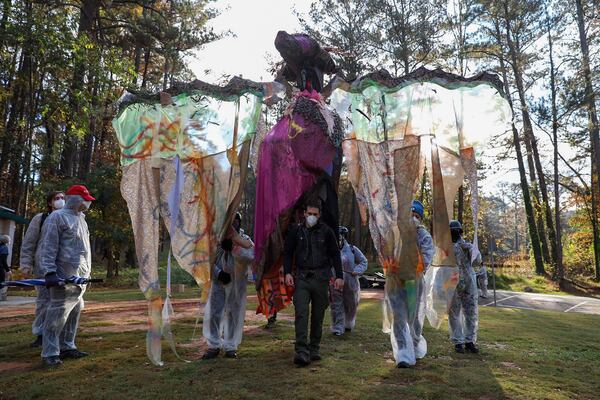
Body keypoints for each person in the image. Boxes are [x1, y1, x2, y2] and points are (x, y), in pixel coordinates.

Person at [37, 185, 95, 367]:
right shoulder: (57, 217)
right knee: (57, 314)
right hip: (62, 275)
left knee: (75, 311)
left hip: (80, 277)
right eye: (84, 199)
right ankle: (50, 353)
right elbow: (48, 246)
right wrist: (50, 271)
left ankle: (67, 346)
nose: (87, 203)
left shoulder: (82, 219)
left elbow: (85, 251)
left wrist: (87, 274)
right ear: (74, 199)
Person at [283, 201, 344, 366]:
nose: (311, 217)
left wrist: (339, 276)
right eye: (309, 213)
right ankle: (301, 351)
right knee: (301, 313)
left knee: (318, 315)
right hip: (302, 278)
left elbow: (335, 255)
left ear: (320, 215)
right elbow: (288, 253)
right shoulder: (296, 231)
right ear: (304, 213)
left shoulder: (327, 232)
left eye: (315, 214)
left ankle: (314, 348)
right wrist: (287, 272)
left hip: (321, 278)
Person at [387, 200, 435, 368]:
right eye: (411, 215)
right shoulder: (395, 232)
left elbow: (428, 255)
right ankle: (403, 354)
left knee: (413, 317)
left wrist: (415, 268)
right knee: (399, 315)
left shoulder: (423, 235)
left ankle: (414, 345)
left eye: (417, 216)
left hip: (414, 281)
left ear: (420, 219)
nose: (413, 219)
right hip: (396, 280)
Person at [202, 213, 254, 360]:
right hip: (219, 282)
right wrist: (218, 274)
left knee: (233, 314)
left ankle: (231, 346)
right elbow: (206, 259)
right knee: (214, 313)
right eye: (231, 221)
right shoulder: (215, 238)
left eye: (236, 221)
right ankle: (214, 345)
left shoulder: (244, 239)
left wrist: (234, 248)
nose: (234, 224)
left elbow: (251, 255)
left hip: (236, 284)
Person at [20, 190, 65, 347]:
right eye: (57, 198)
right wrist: (26, 267)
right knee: (44, 302)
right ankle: (40, 334)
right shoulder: (41, 219)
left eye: (63, 198)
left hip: (64, 269)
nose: (60, 201)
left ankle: (58, 333)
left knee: (62, 302)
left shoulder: (70, 218)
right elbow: (28, 244)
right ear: (49, 202)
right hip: (43, 268)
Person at [448, 220, 482, 354]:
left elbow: (477, 261)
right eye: (452, 232)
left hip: (468, 283)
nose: (454, 234)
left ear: (461, 232)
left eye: (456, 232)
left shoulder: (468, 246)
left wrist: (471, 250)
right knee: (454, 313)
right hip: (452, 282)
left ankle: (469, 341)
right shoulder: (446, 248)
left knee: (471, 313)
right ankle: (458, 342)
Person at [330, 226, 367, 336]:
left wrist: (357, 270)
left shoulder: (352, 249)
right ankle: (337, 327)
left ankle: (348, 323)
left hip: (351, 281)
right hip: (335, 280)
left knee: (351, 303)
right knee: (336, 304)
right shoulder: (331, 250)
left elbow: (363, 261)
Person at [0, 235, 11, 301]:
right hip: (0, 268)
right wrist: (8, 270)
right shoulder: (4, 248)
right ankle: (1, 297)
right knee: (1, 283)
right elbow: (3, 261)